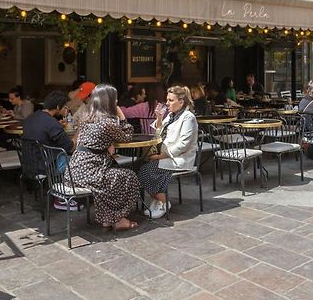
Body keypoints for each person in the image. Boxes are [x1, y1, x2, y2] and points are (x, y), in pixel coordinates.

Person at [65, 84, 140, 231]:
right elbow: (127, 137)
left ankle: (108, 219)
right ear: (110, 101)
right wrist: (122, 116)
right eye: (115, 98)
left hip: (73, 172)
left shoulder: (87, 118)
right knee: (128, 176)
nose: (117, 101)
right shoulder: (107, 123)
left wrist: (107, 144)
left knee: (113, 177)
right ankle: (119, 219)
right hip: (89, 173)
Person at [138, 85, 198, 219]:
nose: (167, 103)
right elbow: (158, 132)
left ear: (181, 102)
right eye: (167, 100)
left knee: (145, 171)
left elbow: (183, 145)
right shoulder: (171, 115)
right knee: (140, 167)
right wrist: (159, 118)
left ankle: (164, 202)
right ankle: (159, 199)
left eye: (171, 100)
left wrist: (160, 156)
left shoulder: (188, 117)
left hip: (179, 158)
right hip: (166, 156)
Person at [23, 90, 76, 210]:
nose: (66, 109)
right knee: (76, 159)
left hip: (28, 164)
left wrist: (57, 125)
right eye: (65, 106)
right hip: (45, 166)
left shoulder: (31, 118)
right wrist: (79, 131)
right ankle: (62, 198)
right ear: (58, 107)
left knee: (62, 155)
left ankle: (60, 193)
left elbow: (42, 131)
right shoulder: (51, 122)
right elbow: (70, 147)